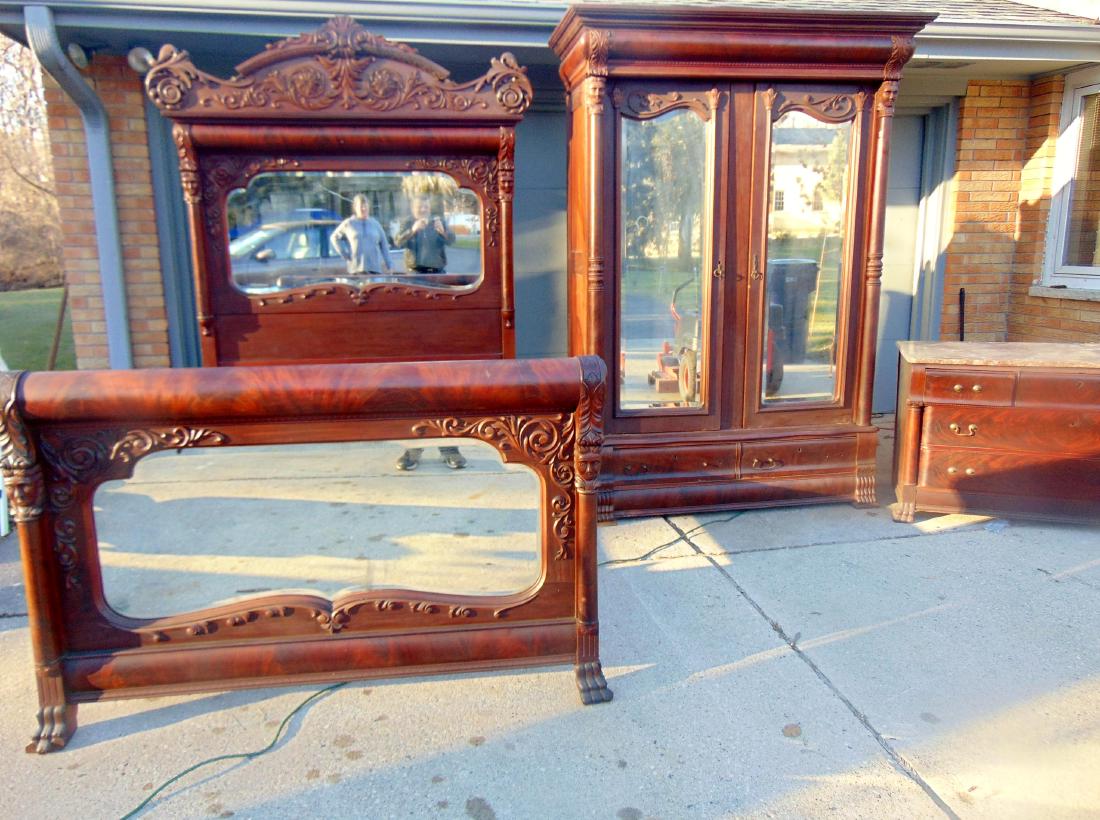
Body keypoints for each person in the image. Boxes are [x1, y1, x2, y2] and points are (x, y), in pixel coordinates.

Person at [329, 194, 393, 275]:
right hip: (356, 270)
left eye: (365, 206)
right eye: (361, 206)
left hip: (374, 270)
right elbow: (334, 237)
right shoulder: (349, 223)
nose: (364, 209)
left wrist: (389, 264)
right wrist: (344, 254)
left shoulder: (375, 224)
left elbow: (384, 245)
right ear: (355, 208)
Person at [394, 194, 455, 273]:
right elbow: (398, 242)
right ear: (413, 209)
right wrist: (412, 230)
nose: (423, 210)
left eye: (426, 207)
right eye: (419, 207)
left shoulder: (438, 221)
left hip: (438, 272)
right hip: (415, 272)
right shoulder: (408, 222)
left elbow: (452, 240)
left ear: (429, 209)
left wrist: (443, 232)